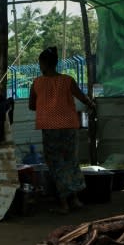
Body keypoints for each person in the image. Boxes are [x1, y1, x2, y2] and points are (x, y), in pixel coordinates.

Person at [28, 46, 95, 214]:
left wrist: (46, 104)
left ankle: (64, 203)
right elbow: (83, 98)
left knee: (56, 164)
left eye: (40, 63)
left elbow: (31, 105)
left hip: (50, 128)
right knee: (71, 161)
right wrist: (92, 105)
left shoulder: (37, 83)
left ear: (43, 63)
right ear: (56, 63)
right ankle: (76, 199)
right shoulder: (68, 80)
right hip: (69, 126)